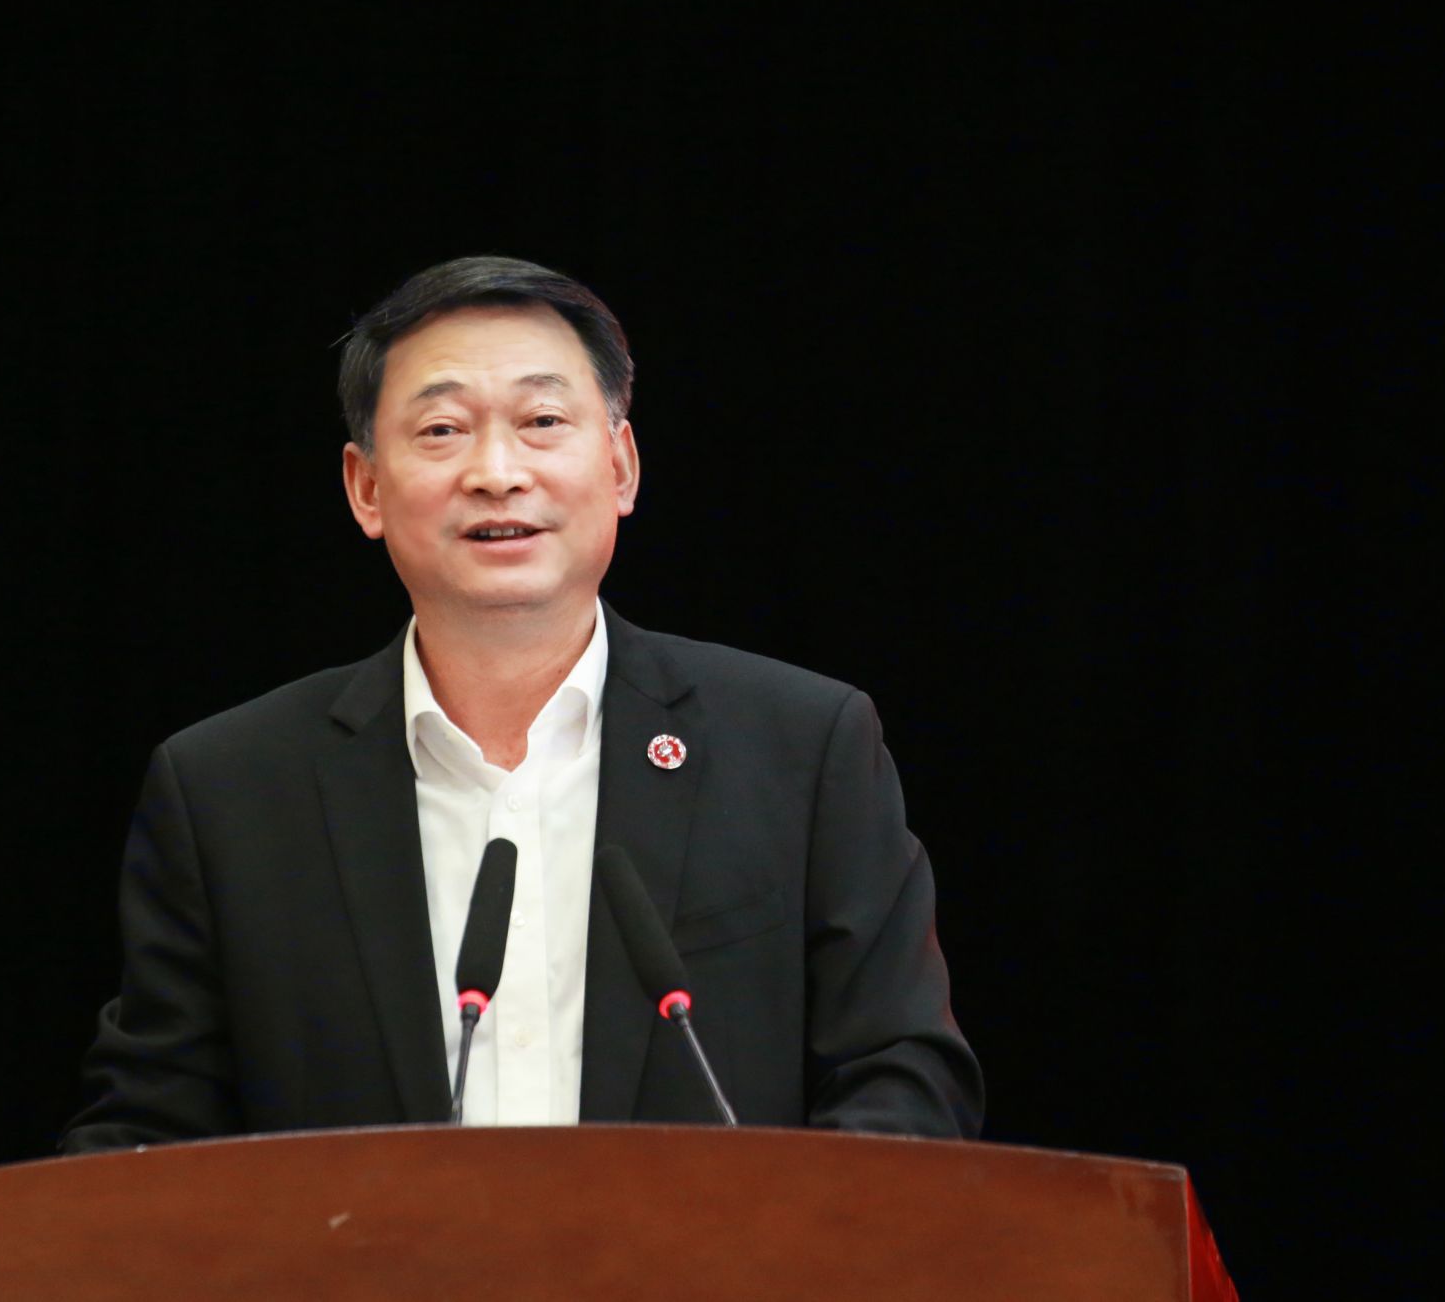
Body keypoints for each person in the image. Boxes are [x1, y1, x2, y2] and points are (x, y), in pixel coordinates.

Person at [60, 255, 982, 1148]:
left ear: (621, 466)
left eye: (542, 420)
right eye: (442, 430)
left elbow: (901, 1076)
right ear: (365, 487)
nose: (497, 472)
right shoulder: (229, 790)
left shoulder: (800, 748)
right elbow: (150, 1135)